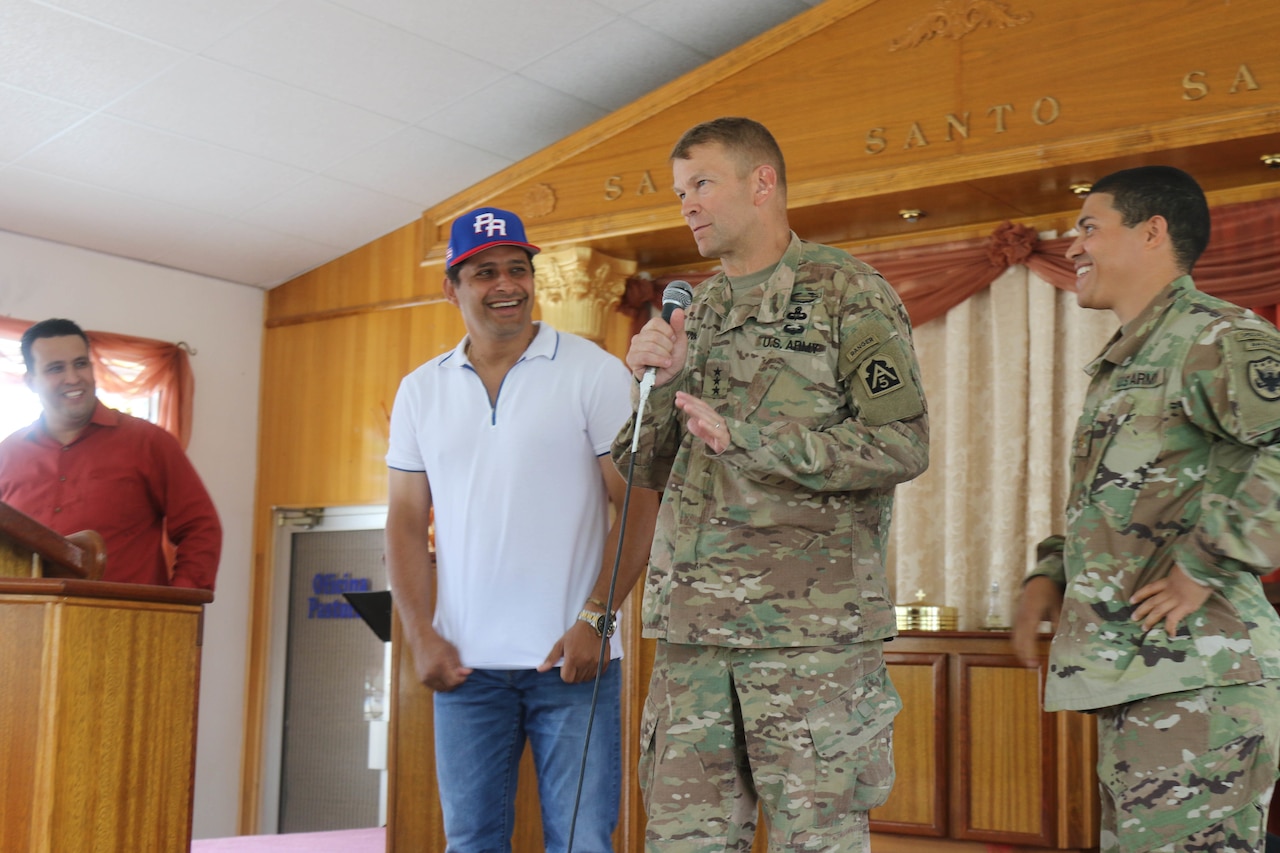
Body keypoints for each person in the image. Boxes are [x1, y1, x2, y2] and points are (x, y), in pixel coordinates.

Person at [611, 117, 930, 851]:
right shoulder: (697, 309)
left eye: (702, 184)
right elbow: (641, 467)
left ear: (763, 183)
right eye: (679, 191)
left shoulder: (845, 292)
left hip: (807, 642)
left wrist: (750, 439)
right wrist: (661, 381)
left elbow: (901, 442)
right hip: (694, 639)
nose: (686, 204)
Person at [1011, 166, 1280, 852]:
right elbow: (1121, 501)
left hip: (1201, 675)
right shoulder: (1131, 359)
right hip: (1141, 674)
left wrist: (1204, 562)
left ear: (1152, 232)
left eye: (1089, 227)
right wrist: (1052, 571)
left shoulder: (1216, 336)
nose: (1072, 245)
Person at [384, 206, 658, 853]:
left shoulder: (591, 372)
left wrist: (597, 617)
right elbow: (402, 519)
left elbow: (639, 502)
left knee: (582, 843)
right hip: (464, 668)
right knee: (472, 842)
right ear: (452, 286)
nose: (506, 284)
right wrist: (420, 633)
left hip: (573, 665)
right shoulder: (420, 390)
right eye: (485, 272)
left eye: (517, 268)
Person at [0, 318, 221, 588]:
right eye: (56, 368)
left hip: (126, 624)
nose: (73, 378)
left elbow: (201, 528)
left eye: (80, 363)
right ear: (31, 381)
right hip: (26, 623)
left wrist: (180, 607)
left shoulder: (149, 442)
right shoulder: (7, 454)